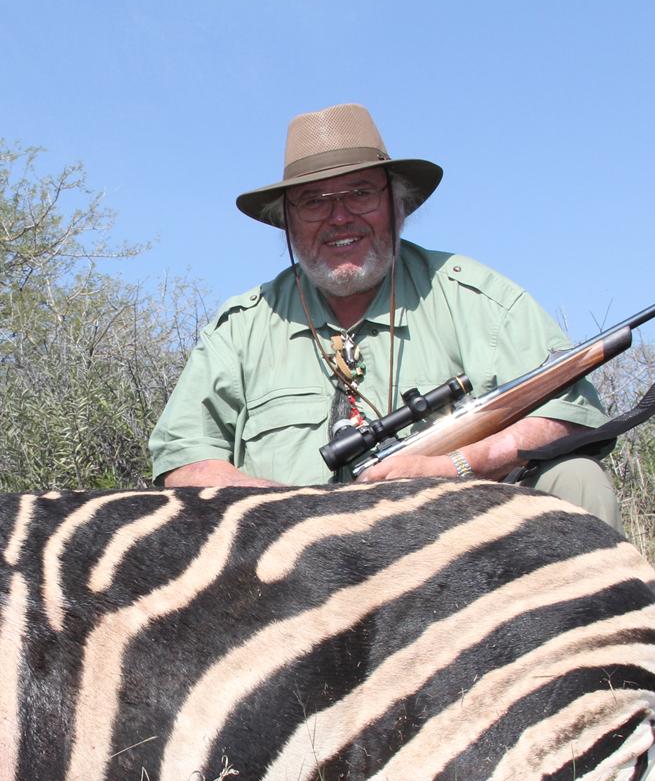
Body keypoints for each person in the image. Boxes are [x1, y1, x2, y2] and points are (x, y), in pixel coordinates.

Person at [148, 103, 622, 532]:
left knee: (576, 478)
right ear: (287, 221)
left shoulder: (475, 297)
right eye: (313, 202)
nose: (339, 217)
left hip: (453, 544)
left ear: (398, 206)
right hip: (287, 565)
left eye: (360, 193)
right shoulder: (240, 327)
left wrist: (453, 467)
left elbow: (569, 414)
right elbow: (184, 459)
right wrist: (289, 512)